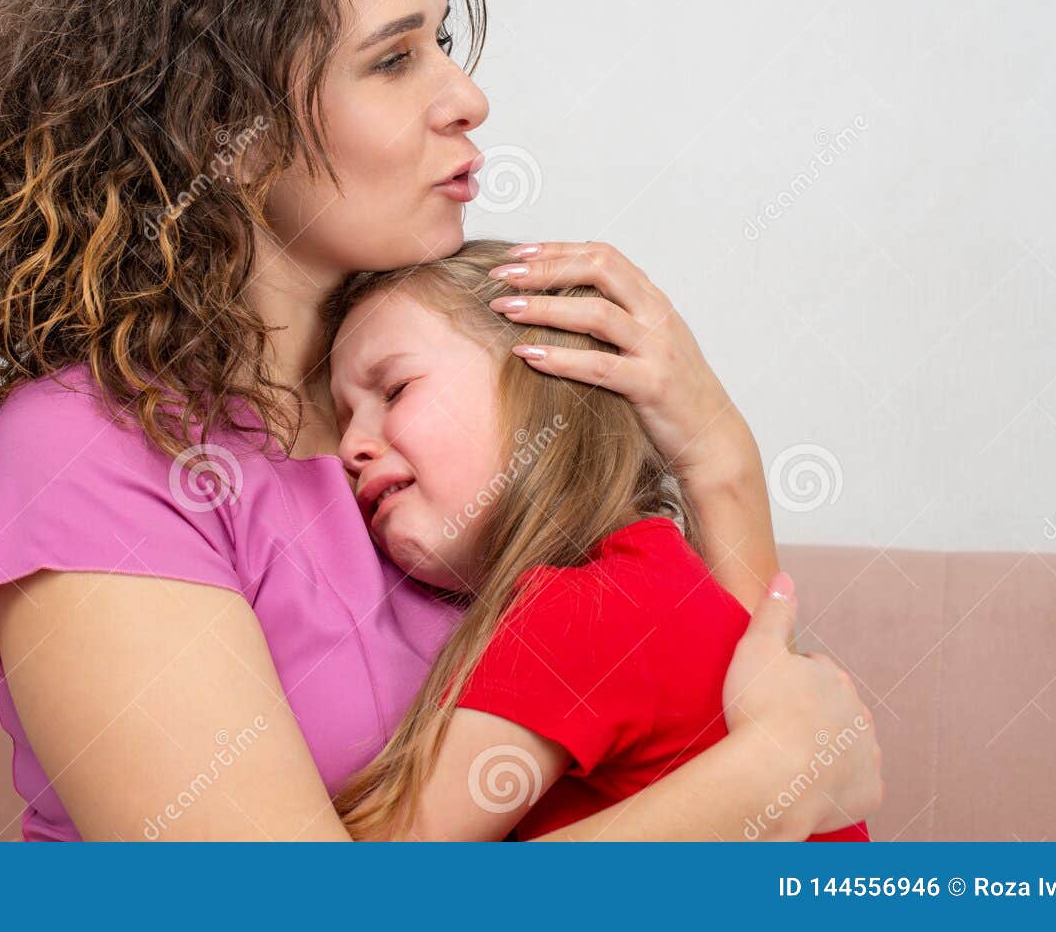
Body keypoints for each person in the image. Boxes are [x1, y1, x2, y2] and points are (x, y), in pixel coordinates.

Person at [0, 0, 883, 841]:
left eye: (442, 44)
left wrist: (717, 452)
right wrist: (770, 783)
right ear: (223, 129)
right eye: (393, 60)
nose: (468, 99)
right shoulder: (92, 452)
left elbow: (692, 702)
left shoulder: (460, 397)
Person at [322, 240, 871, 841]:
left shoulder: (590, 608)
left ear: (542, 376)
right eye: (343, 419)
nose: (350, 448)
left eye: (395, 389)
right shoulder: (659, 581)